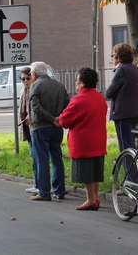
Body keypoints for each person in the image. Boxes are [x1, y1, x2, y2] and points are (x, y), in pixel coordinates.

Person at [58, 67, 107, 210]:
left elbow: (65, 121)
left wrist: (60, 117)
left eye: (77, 79)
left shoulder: (78, 100)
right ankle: (96, 198)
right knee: (96, 172)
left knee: (86, 174)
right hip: (98, 140)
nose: (75, 81)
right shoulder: (99, 97)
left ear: (82, 83)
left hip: (83, 142)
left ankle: (90, 200)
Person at [28, 62, 70, 201]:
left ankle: (44, 192)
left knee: (42, 159)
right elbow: (67, 104)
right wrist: (58, 118)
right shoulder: (59, 85)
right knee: (57, 158)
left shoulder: (35, 85)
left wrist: (51, 119)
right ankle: (59, 190)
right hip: (57, 127)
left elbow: (36, 107)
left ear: (34, 74)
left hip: (41, 127)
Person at [105, 43, 138, 183]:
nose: (113, 58)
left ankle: (131, 181)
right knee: (132, 146)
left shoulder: (121, 70)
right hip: (135, 111)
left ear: (118, 57)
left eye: (113, 55)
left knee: (126, 147)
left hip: (123, 113)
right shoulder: (135, 69)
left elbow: (109, 93)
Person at [18, 67, 38, 193]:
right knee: (33, 155)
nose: (25, 81)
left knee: (38, 157)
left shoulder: (35, 90)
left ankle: (41, 184)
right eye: (23, 79)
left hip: (35, 127)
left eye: (27, 78)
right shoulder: (22, 92)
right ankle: (37, 183)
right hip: (26, 127)